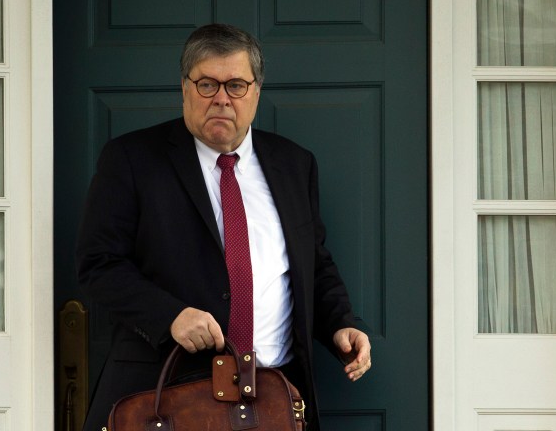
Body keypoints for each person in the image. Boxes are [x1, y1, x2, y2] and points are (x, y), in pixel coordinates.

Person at [75, 23, 371, 430]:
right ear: (184, 88)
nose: (221, 98)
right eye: (206, 84)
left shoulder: (294, 164)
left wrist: (341, 324)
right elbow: (98, 264)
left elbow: (313, 265)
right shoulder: (131, 159)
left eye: (235, 85)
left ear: (256, 91)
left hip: (276, 400)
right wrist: (171, 316)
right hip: (170, 402)